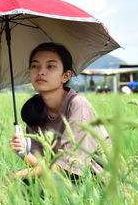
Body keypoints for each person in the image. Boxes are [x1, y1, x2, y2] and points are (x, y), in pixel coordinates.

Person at [8, 42, 110, 184]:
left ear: (65, 76)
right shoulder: (34, 111)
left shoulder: (77, 104)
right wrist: (24, 153)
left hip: (93, 183)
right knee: (19, 187)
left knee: (24, 183)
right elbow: (42, 166)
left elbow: (70, 167)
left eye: (50, 66)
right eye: (35, 66)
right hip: (59, 179)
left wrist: (14, 176)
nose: (41, 72)